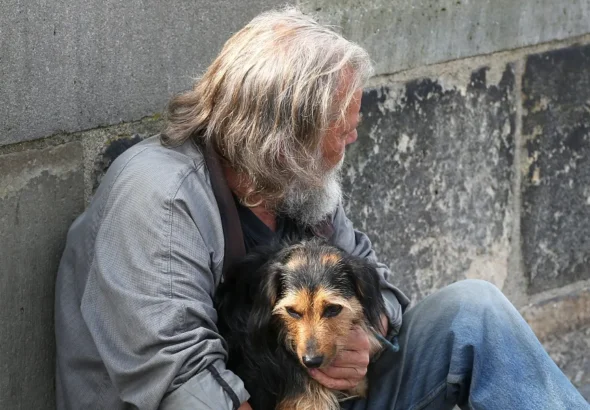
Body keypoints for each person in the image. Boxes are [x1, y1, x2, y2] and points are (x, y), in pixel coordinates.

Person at [54, 7, 589, 410]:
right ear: (285, 133)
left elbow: (378, 286)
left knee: (475, 311)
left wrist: (364, 342)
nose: (353, 136)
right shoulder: (160, 198)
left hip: (322, 392)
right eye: (341, 124)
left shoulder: (297, 183)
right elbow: (180, 384)